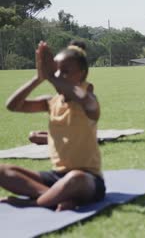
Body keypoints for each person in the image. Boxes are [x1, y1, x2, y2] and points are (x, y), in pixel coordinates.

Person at [0, 40, 105, 211]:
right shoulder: (50, 102)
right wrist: (39, 77)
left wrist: (51, 76)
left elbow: (81, 95)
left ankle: (34, 203)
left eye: (65, 72)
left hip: (87, 179)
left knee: (74, 178)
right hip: (55, 176)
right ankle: (54, 197)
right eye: (56, 70)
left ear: (82, 73)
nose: (57, 76)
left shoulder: (89, 100)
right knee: (3, 171)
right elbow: (12, 105)